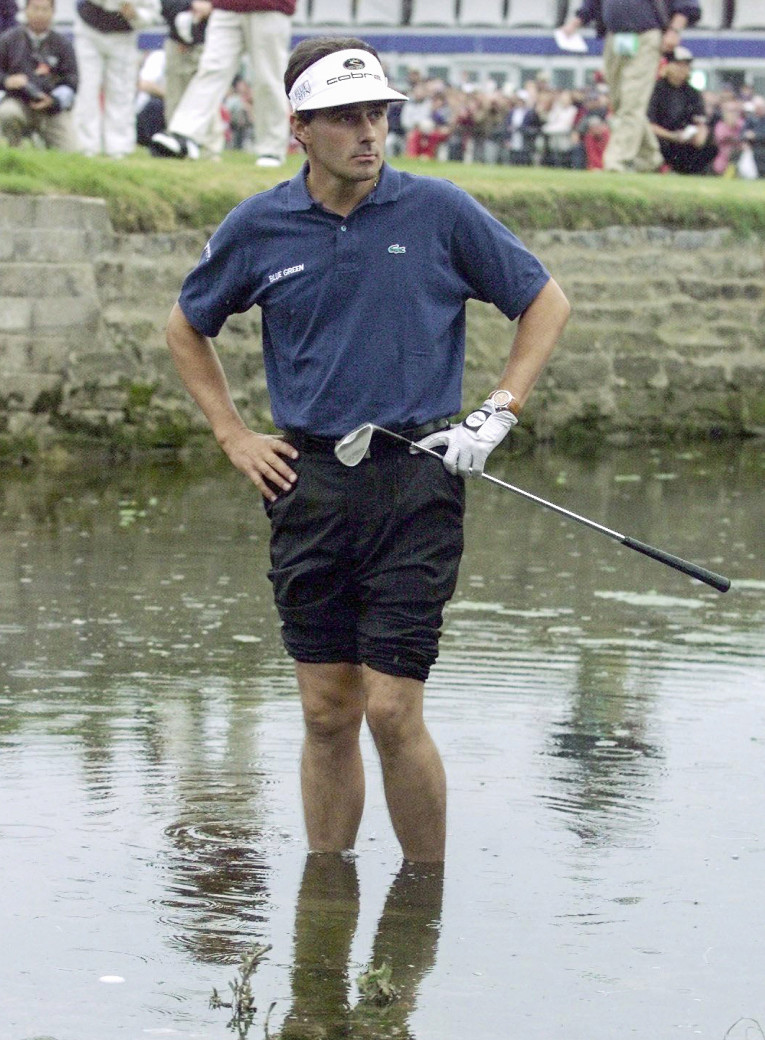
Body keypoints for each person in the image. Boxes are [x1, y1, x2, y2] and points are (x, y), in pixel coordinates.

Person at [165, 36, 570, 864]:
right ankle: (327, 897)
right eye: (345, 117)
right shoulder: (260, 225)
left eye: (377, 114)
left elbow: (544, 302)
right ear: (299, 128)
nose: (367, 132)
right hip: (307, 482)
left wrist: (497, 411)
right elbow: (185, 326)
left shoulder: (439, 211)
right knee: (325, 710)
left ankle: (423, 900)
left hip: (418, 480)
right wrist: (233, 434)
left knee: (390, 709)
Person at [562, 0, 702, 172]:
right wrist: (575, 22)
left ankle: (615, 162)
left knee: (632, 102)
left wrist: (674, 30)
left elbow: (686, 4)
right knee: (620, 104)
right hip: (614, 37)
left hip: (646, 34)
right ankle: (649, 157)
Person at [150, 0, 294, 164]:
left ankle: (271, 150)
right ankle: (184, 135)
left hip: (270, 6)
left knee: (267, 79)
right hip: (225, 7)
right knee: (211, 69)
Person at [72, 0, 160, 157]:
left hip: (123, 35)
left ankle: (119, 148)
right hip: (89, 29)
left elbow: (153, 12)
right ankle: (86, 147)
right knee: (86, 89)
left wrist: (136, 14)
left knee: (121, 92)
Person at [0, 0, 78, 151]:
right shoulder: (8, 40)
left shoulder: (63, 44)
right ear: (26, 11)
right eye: (35, 9)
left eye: (45, 9)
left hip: (51, 108)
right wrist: (7, 80)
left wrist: (54, 101)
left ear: (53, 13)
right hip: (18, 102)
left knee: (70, 151)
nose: (40, 14)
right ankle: (15, 152)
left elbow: (72, 81)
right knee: (6, 113)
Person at [647, 46, 717, 174]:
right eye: (678, 64)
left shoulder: (692, 93)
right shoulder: (656, 90)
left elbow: (700, 120)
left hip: (686, 140)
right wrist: (672, 136)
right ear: (668, 66)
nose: (682, 69)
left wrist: (700, 136)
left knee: (710, 146)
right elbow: (649, 124)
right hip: (663, 138)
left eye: (686, 65)